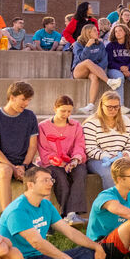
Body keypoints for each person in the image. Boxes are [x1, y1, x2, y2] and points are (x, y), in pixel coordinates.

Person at [0, 167, 111, 259]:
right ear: (30, 185)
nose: (51, 183)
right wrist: (65, 257)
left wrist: (96, 246)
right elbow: (36, 242)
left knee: (90, 251)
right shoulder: (17, 210)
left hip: (42, 256)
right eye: (45, 180)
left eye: (51, 180)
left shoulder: (46, 204)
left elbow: (70, 232)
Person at [0, 80, 40, 208]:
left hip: (23, 162)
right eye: (23, 99)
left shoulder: (30, 116)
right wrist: (13, 168)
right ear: (12, 97)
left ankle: (37, 216)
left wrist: (24, 166)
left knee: (41, 175)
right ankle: (8, 217)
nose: (26, 103)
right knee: (5, 171)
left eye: (29, 100)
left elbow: (32, 146)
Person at [37, 94, 89, 225]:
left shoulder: (76, 126)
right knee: (60, 178)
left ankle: (71, 214)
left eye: (69, 111)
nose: (66, 114)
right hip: (52, 162)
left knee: (80, 173)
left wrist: (75, 160)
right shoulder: (43, 126)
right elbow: (44, 149)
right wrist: (60, 163)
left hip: (73, 161)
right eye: (63, 111)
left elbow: (79, 145)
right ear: (55, 109)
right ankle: (68, 214)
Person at [84, 91, 130, 192]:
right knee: (110, 173)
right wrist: (107, 156)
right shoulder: (91, 123)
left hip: (122, 158)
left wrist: (127, 154)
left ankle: (128, 203)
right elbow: (89, 148)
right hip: (99, 160)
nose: (113, 110)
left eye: (116, 107)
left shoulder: (126, 121)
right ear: (101, 105)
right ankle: (113, 203)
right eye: (109, 107)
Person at [105, 23, 130, 113]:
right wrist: (120, 68)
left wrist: (127, 68)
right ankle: (120, 105)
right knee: (120, 78)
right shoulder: (110, 46)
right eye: (116, 31)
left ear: (125, 32)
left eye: (120, 31)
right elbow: (109, 61)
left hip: (129, 68)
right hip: (114, 69)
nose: (117, 33)